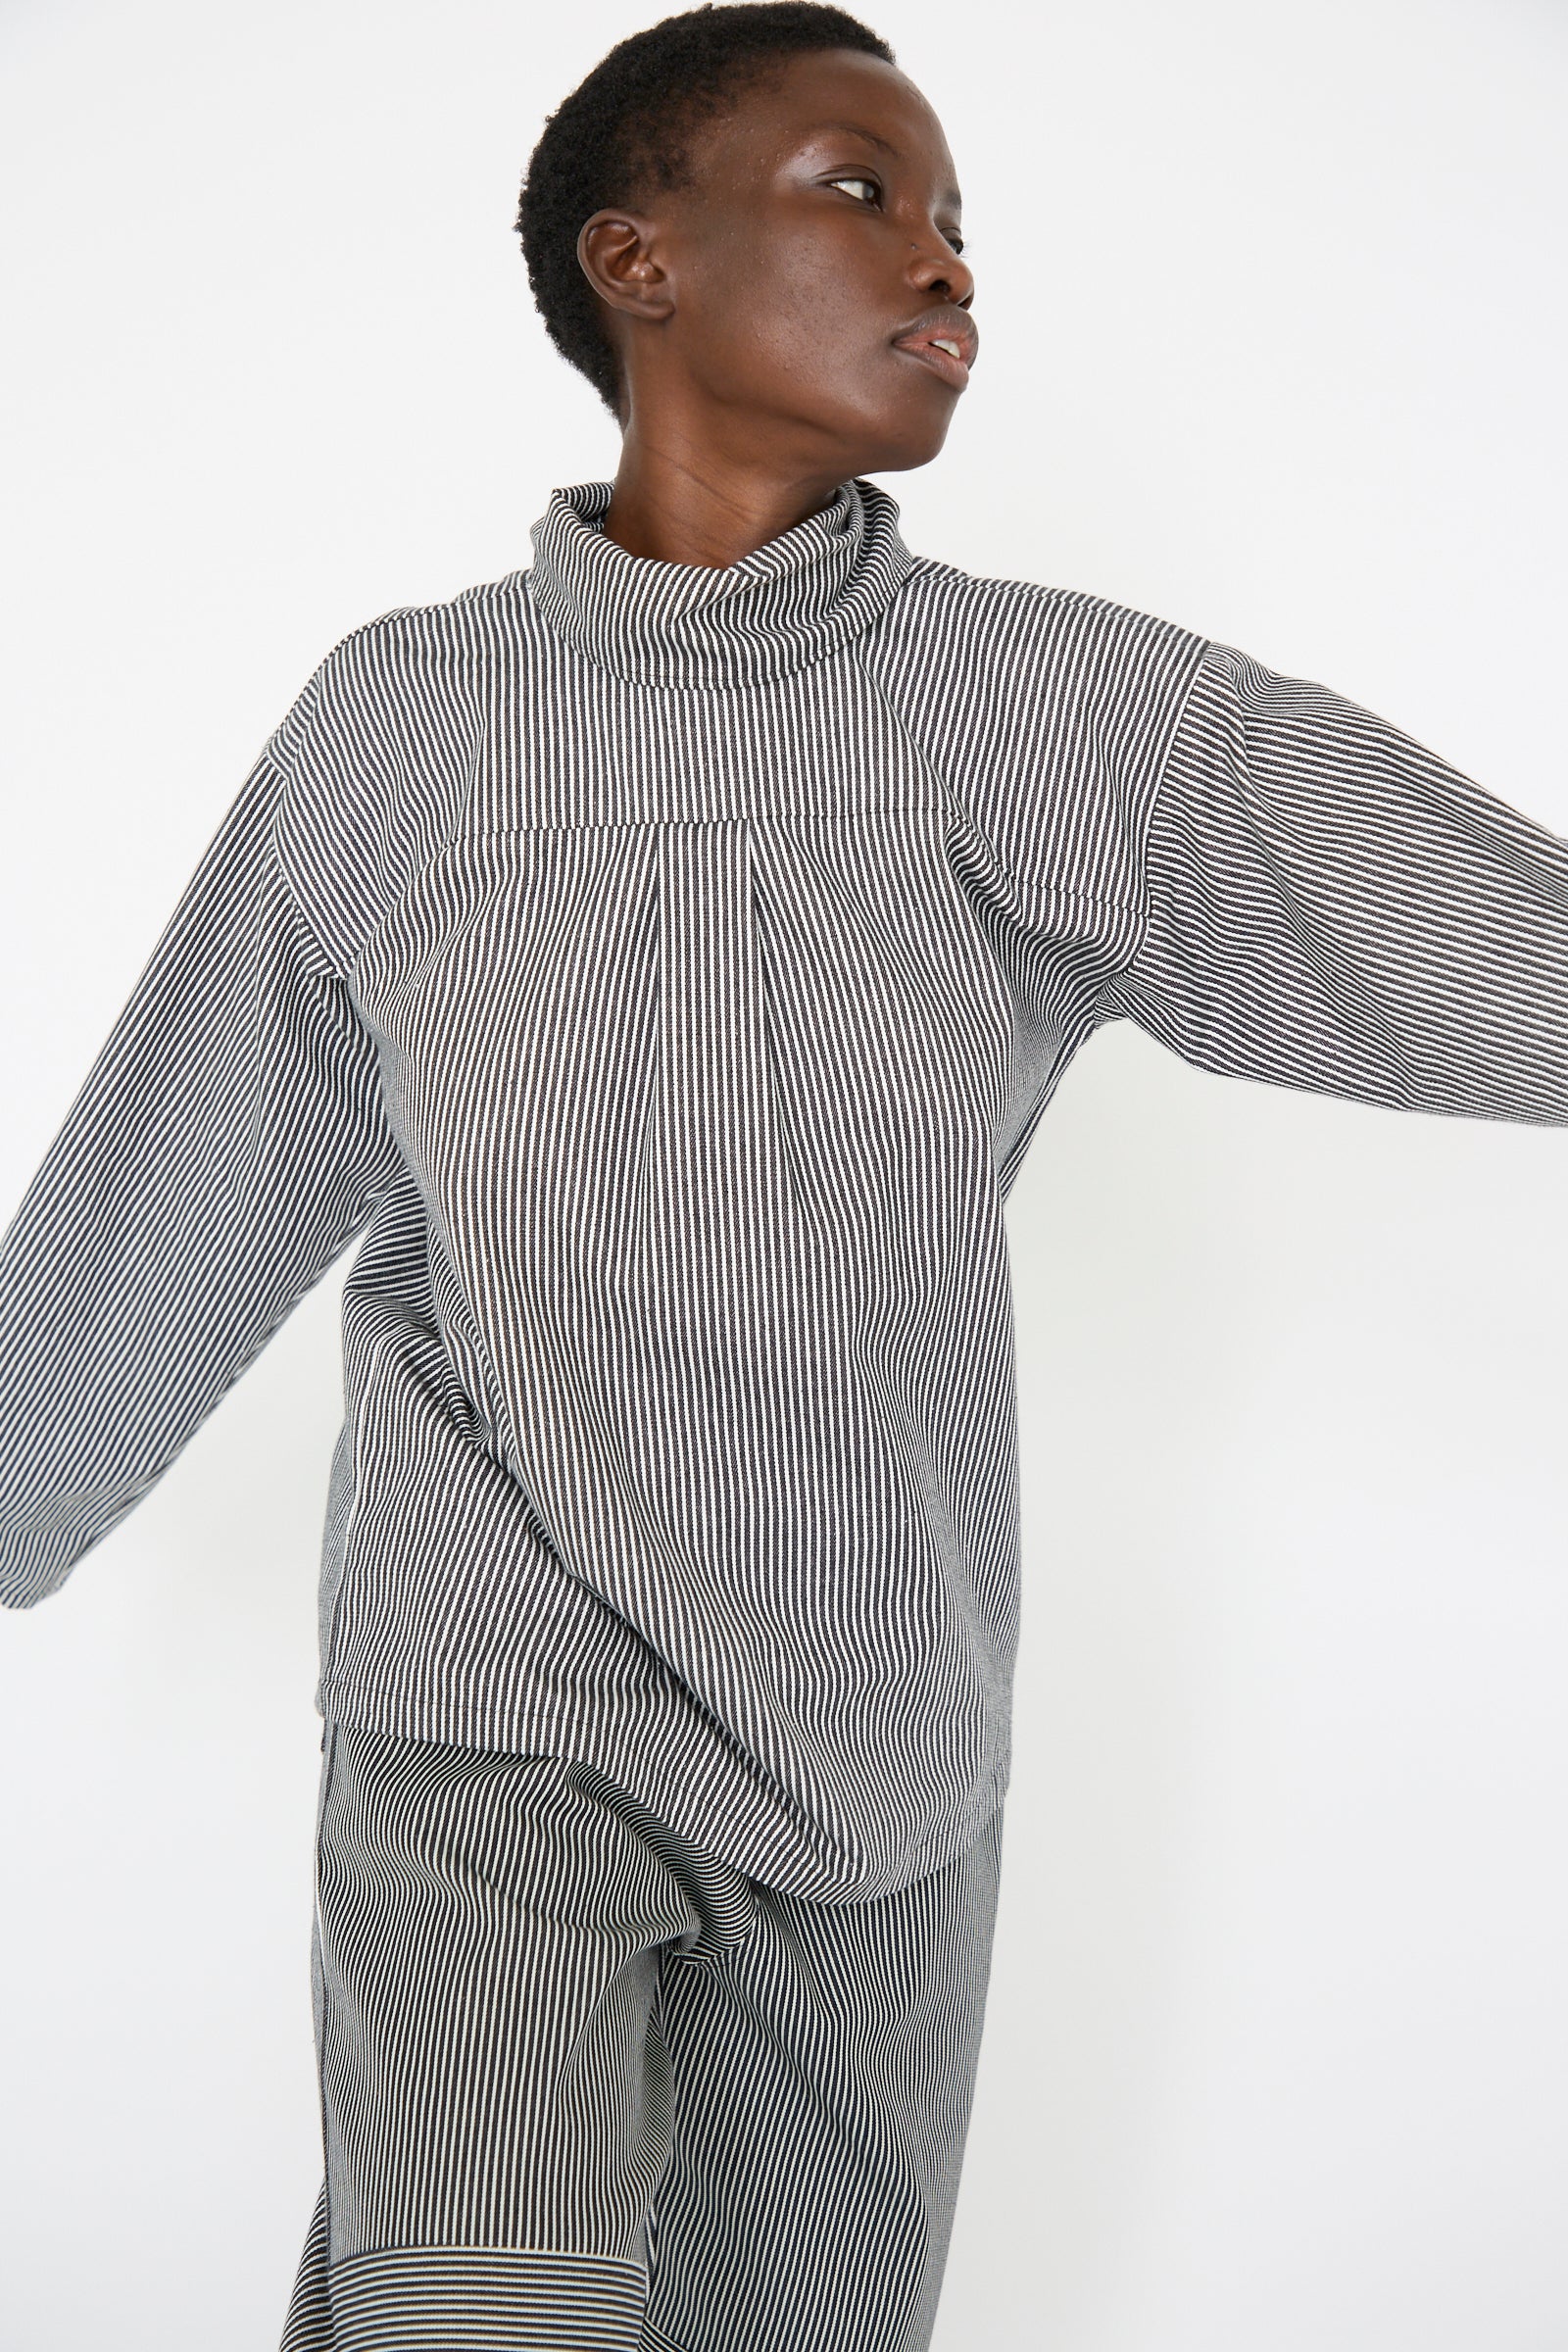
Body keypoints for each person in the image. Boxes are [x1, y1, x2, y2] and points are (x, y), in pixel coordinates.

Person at [1, 4, 1564, 2347]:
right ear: (634, 257)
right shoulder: (399, 719)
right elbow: (196, 1142)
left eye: (955, 227)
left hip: (872, 1714)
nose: (939, 267)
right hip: (485, 1673)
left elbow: (1453, 928)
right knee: (486, 2308)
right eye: (863, 189)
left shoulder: (1051, 710)